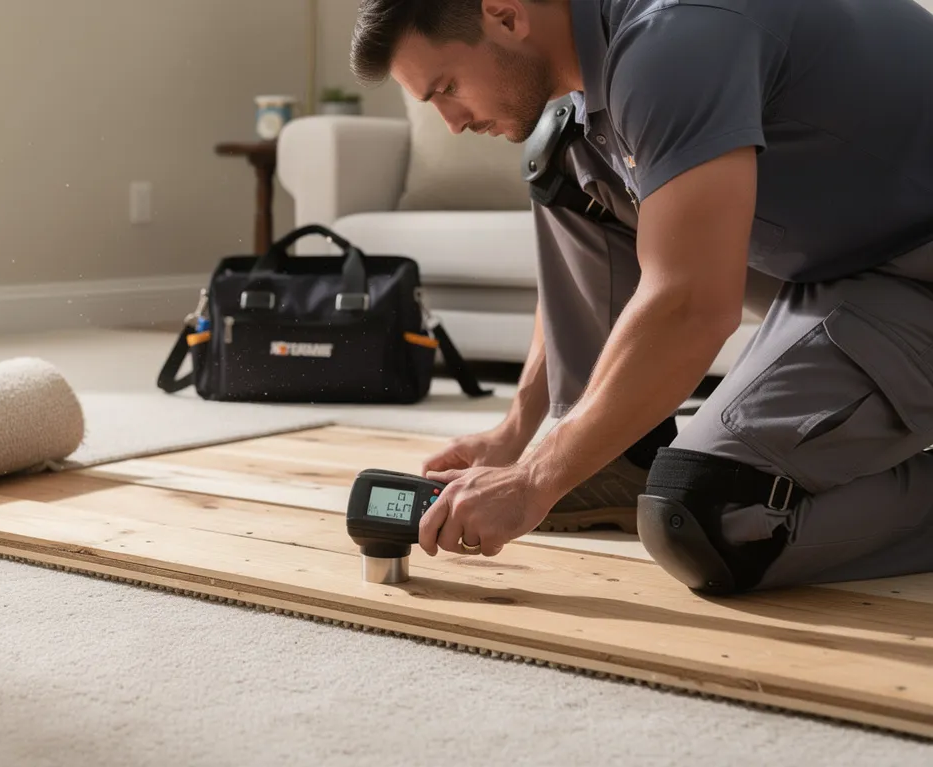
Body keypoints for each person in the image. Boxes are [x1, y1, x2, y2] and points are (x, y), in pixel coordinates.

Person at [349, 0, 933, 595]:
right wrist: (519, 434)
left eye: (447, 87)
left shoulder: (676, 39)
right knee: (562, 160)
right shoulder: (607, 55)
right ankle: (617, 455)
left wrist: (532, 482)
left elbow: (691, 305)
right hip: (853, 250)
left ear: (504, 14)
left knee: (711, 515)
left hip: (914, 269)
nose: (450, 121)